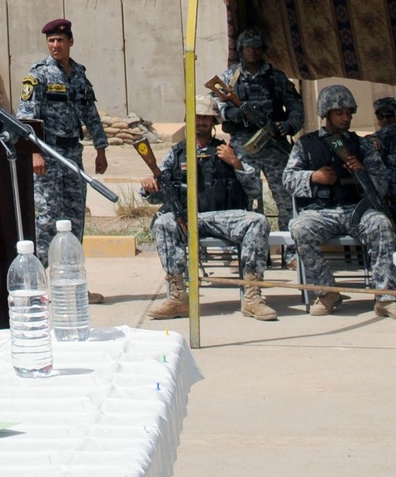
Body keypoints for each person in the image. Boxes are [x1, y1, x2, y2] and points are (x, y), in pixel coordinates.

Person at [145, 96, 277, 321]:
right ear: (189, 120)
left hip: (225, 216)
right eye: (197, 117)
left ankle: (252, 295)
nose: (202, 122)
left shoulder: (230, 150)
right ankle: (178, 296)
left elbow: (254, 189)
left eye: (206, 117)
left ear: (214, 122)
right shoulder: (176, 154)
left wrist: (235, 163)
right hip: (187, 217)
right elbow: (159, 193)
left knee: (258, 221)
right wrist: (150, 187)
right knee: (163, 222)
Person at [283, 84, 396, 318]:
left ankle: (385, 296)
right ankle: (327, 292)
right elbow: (288, 180)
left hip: (357, 210)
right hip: (321, 211)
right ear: (327, 113)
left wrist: (363, 171)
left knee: (381, 225)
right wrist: (313, 177)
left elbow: (383, 182)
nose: (346, 118)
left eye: (348, 113)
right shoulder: (306, 144)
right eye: (339, 113)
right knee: (299, 228)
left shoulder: (362, 144)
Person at [16, 18, 108, 261]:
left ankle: (72, 277)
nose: (55, 45)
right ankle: (43, 282)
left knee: (75, 218)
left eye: (60, 40)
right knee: (47, 219)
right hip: (48, 156)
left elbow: (91, 113)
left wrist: (101, 149)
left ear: (70, 42)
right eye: (51, 40)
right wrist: (34, 153)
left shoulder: (79, 74)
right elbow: (26, 119)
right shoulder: (38, 75)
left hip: (73, 156)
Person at [213, 27, 303, 230]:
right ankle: (253, 245)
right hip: (244, 146)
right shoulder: (230, 78)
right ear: (240, 49)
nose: (253, 51)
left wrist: (289, 125)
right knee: (247, 197)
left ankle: (289, 249)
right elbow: (214, 102)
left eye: (257, 47)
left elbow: (296, 106)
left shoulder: (276, 78)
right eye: (248, 47)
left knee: (286, 198)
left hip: (274, 145)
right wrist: (230, 113)